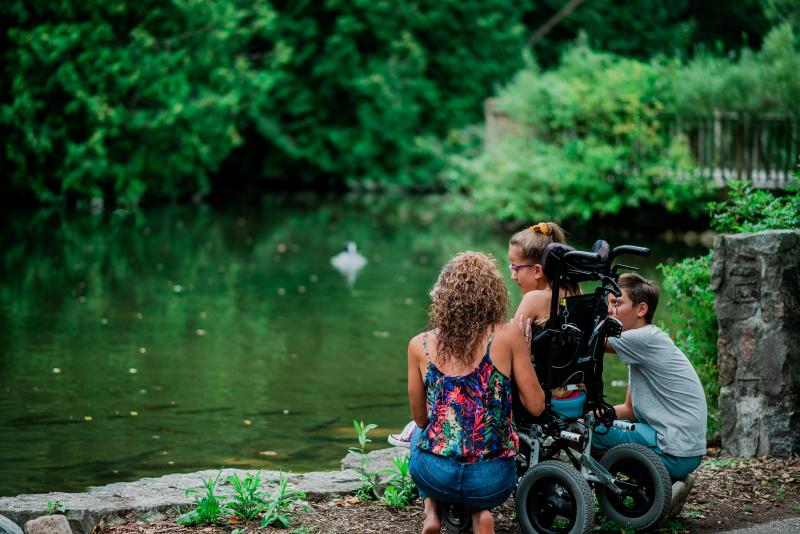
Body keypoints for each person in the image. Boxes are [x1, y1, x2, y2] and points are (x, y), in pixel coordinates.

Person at [389, 222, 570, 447]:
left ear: (537, 270)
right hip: (569, 388)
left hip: (538, 391)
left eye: (515, 268)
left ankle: (414, 433)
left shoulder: (533, 301)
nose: (512, 276)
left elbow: (505, 340)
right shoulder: (572, 293)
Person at [406, 252, 545, 534]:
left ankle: (431, 512)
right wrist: (524, 356)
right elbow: (536, 406)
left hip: (436, 475)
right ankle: (481, 511)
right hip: (491, 481)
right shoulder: (508, 337)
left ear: (443, 296)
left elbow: (421, 419)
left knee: (417, 433)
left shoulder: (418, 344)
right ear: (493, 294)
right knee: (482, 456)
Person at [595, 273, 707, 481]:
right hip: (686, 451)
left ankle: (621, 486)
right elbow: (630, 410)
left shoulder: (642, 338)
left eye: (616, 303)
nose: (608, 310)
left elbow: (591, 343)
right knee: (589, 425)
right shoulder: (643, 345)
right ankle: (640, 486)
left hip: (672, 452)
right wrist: (592, 415)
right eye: (607, 303)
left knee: (584, 434)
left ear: (641, 309)